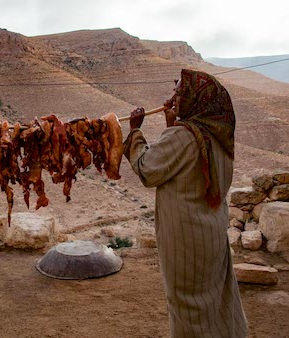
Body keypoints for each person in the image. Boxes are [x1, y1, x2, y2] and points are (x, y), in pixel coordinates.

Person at [124, 69, 247, 337]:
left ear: (195, 98)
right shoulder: (218, 135)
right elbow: (186, 166)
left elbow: (148, 169)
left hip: (186, 240)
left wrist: (135, 132)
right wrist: (172, 125)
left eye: (179, 93)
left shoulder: (184, 135)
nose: (173, 98)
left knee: (187, 307)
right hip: (212, 233)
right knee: (215, 300)